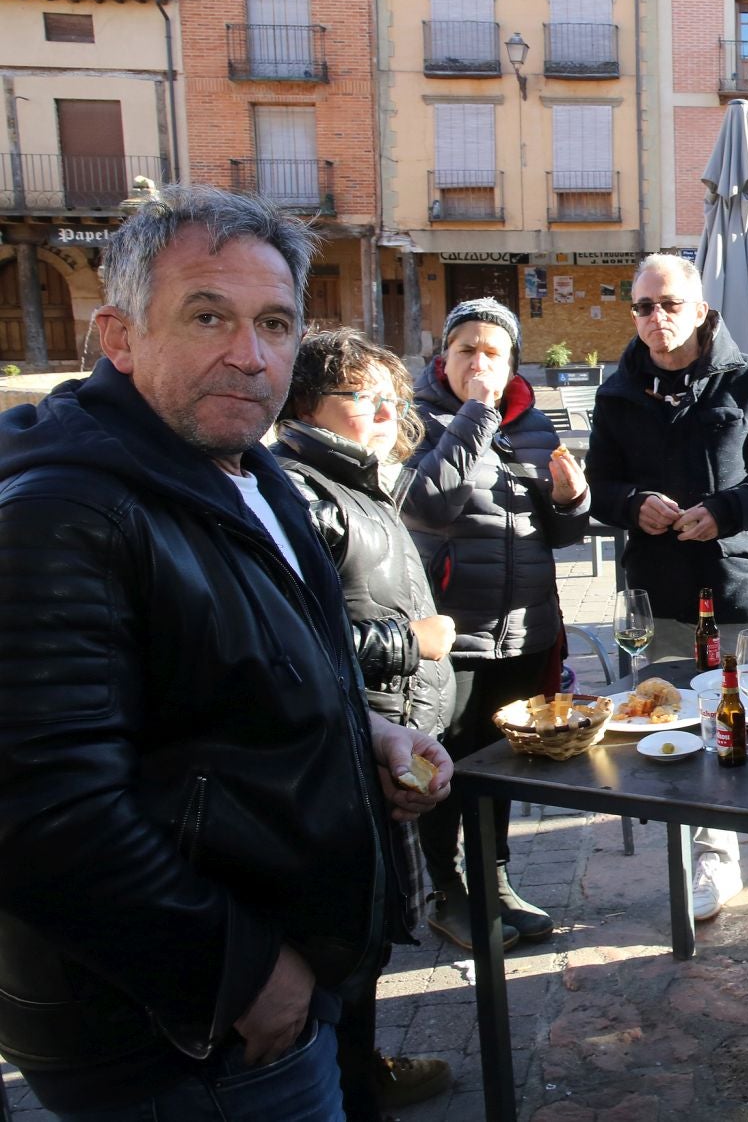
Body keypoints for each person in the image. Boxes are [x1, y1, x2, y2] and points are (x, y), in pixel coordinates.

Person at [0, 183, 450, 1119]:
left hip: (258, 997)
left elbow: (221, 684)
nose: (250, 356)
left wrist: (364, 729)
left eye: (277, 324)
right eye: (209, 317)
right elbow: (43, 809)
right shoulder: (63, 513)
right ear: (118, 338)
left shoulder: (250, 473)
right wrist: (243, 976)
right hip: (182, 1038)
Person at [587, 253, 748, 932]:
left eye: (668, 304)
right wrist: (634, 504)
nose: (654, 319)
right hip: (659, 597)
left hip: (740, 587)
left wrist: (729, 508)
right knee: (683, 737)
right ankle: (712, 860)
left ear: (699, 309)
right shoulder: (617, 391)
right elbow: (600, 487)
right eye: (642, 306)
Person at [274, 329, 458, 1120]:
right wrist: (407, 644)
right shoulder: (300, 489)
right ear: (308, 405)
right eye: (365, 398)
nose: (388, 413)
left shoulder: (354, 482)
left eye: (394, 399)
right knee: (349, 941)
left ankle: (363, 1070)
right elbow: (288, 642)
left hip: (385, 739)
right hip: (349, 753)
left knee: (373, 935)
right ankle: (350, 1091)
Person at [403, 298, 589, 951]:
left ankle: (495, 876)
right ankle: (444, 889)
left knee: (502, 762)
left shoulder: (535, 424)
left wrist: (573, 498)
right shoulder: (418, 419)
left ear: (511, 361)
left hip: (524, 629)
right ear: (444, 357)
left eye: (493, 352)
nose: (479, 362)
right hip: (452, 634)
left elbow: (563, 533)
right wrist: (475, 416)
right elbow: (426, 505)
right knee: (445, 767)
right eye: (466, 350)